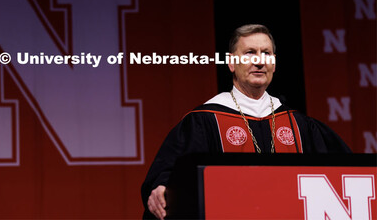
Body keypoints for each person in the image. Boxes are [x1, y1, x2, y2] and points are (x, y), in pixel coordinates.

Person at [141, 24, 351, 220]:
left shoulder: (299, 125)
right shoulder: (205, 121)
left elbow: (344, 174)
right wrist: (162, 188)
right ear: (231, 63)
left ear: (274, 63)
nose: (259, 61)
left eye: (266, 53)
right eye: (250, 52)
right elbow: (170, 176)